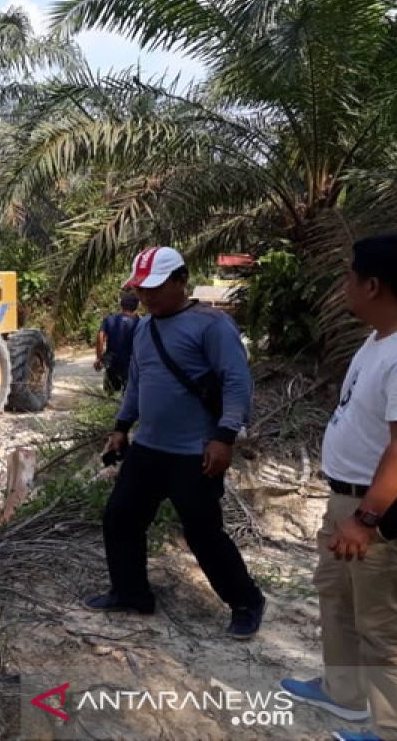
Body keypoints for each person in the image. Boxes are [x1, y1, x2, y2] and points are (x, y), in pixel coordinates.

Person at [280, 234, 397, 741]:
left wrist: (366, 518)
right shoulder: (386, 336)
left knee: (387, 631)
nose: (343, 285)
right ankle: (345, 695)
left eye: (349, 276)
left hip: (389, 508)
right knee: (338, 597)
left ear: (373, 285)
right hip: (352, 496)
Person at [85, 246, 265, 640]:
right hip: (149, 448)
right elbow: (137, 381)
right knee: (121, 517)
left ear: (181, 281)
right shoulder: (144, 329)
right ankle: (131, 593)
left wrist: (224, 437)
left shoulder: (211, 325)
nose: (147, 297)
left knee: (203, 534)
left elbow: (237, 382)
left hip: (194, 452)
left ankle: (246, 601)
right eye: (141, 289)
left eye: (155, 288)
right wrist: (121, 426)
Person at [96, 292, 141, 392]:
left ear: (121, 304)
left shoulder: (109, 319)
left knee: (110, 395)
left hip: (112, 363)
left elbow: (100, 337)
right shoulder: (139, 322)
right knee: (128, 395)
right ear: (136, 306)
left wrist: (99, 358)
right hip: (130, 364)